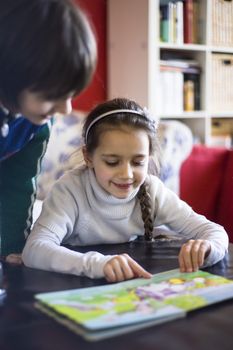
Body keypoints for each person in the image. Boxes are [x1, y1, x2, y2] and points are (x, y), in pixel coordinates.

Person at [22, 97, 229, 282]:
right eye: (112, 162)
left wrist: (208, 248)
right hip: (75, 284)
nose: (127, 174)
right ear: (88, 157)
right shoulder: (70, 191)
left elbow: (215, 232)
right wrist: (98, 264)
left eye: (138, 162)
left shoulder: (152, 190)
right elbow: (34, 249)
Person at [0, 0, 97, 259]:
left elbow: (18, 184)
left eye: (71, 95)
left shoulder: (37, 121)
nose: (65, 109)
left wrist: (12, 251)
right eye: (52, 94)